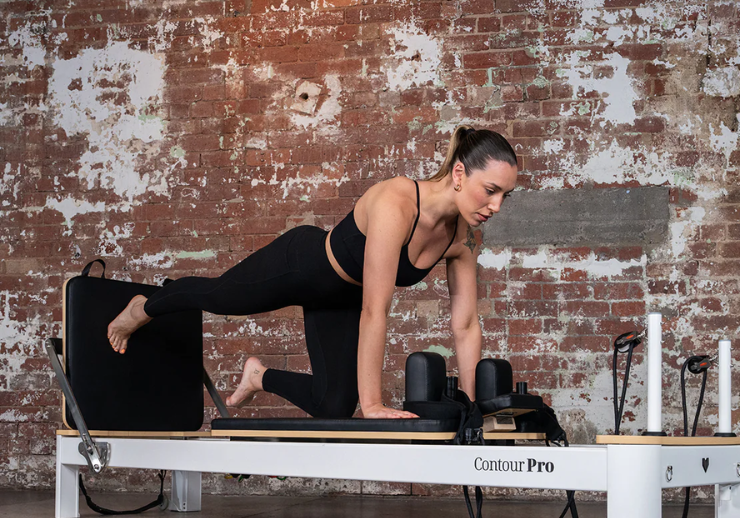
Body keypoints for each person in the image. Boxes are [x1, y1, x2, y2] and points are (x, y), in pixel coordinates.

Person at [107, 126, 518, 419]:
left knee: (333, 405)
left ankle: (258, 375)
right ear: (461, 174)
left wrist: (469, 407)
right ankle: (145, 307)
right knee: (219, 298)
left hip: (340, 299)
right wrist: (372, 406)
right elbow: (376, 310)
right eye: (491, 190)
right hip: (304, 266)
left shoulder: (463, 240)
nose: (496, 207)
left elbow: (465, 324)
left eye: (505, 196)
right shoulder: (397, 202)